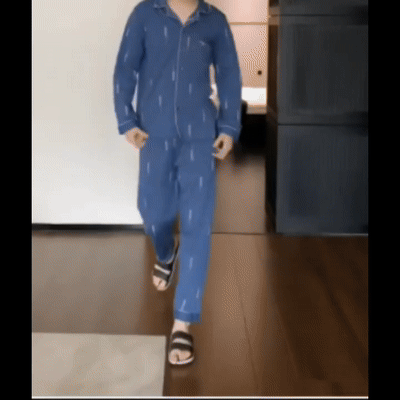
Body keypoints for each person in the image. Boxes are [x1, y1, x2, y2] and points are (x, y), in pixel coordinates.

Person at [113, 0, 242, 365]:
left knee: (198, 223)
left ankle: (183, 321)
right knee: (152, 210)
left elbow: (230, 75)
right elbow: (125, 68)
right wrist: (127, 119)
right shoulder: (145, 14)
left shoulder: (214, 22)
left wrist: (228, 126)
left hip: (200, 135)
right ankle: (166, 252)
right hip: (153, 133)